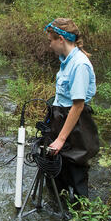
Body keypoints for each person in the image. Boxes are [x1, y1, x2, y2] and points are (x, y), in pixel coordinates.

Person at [44, 18, 100, 200]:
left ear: (61, 39)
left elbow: (78, 105)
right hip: (60, 119)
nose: (50, 45)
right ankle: (57, 212)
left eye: (51, 40)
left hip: (76, 126)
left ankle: (79, 218)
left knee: (75, 170)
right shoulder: (66, 61)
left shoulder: (79, 64)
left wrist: (60, 139)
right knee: (57, 169)